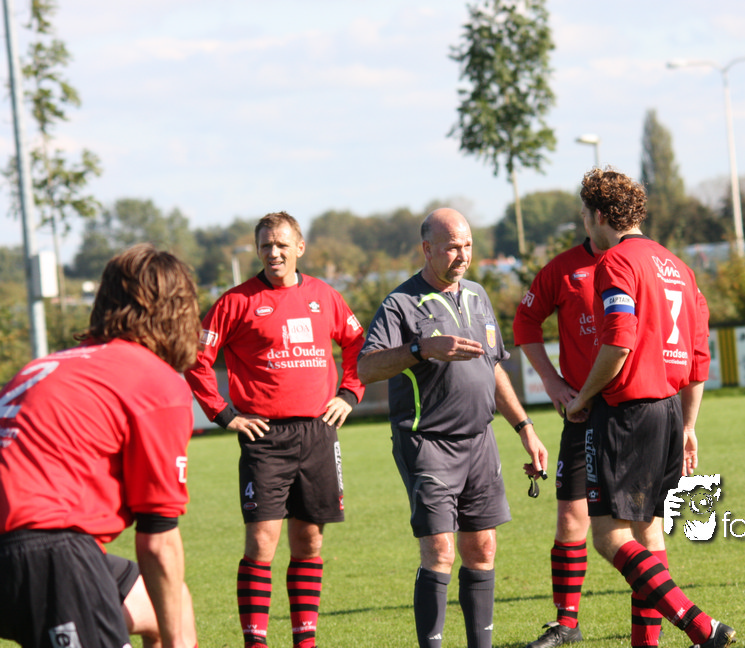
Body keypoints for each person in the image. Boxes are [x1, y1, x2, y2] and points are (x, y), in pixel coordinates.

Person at [357, 207, 548, 648]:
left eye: (467, 246)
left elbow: (493, 368)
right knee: (440, 550)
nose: (462, 255)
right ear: (427, 249)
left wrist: (525, 427)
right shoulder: (400, 303)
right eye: (451, 248)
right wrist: (421, 349)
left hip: (480, 442)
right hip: (427, 443)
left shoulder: (478, 295)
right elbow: (366, 368)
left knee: (482, 549)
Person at [564, 168, 735, 648]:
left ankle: (701, 627)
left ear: (600, 215)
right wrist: (689, 425)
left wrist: (582, 397)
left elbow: (619, 341)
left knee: (609, 537)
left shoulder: (615, 262)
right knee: (649, 534)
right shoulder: (677, 266)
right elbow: (698, 358)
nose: (584, 225)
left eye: (585, 215)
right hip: (669, 412)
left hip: (626, 414)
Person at [0, 244, 198, 648]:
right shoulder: (155, 382)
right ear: (179, 311)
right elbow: (158, 541)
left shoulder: (47, 366)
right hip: (46, 552)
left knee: (166, 602)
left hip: (30, 546)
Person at [184, 211, 365, 648]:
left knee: (310, 540)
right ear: (257, 250)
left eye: (282, 244)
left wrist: (349, 393)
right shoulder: (236, 302)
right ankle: (256, 643)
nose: (274, 252)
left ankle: (305, 641)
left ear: (299, 247)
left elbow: (358, 343)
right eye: (266, 245)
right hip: (264, 438)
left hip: (319, 433)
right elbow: (196, 358)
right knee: (262, 542)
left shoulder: (324, 296)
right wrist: (224, 414)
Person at [513, 231, 700, 648]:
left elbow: (684, 343)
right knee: (570, 518)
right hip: (581, 411)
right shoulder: (562, 269)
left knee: (643, 527)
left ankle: (655, 636)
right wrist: (553, 382)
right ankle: (566, 623)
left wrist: (690, 424)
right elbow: (524, 322)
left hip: (628, 409)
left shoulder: (640, 263)